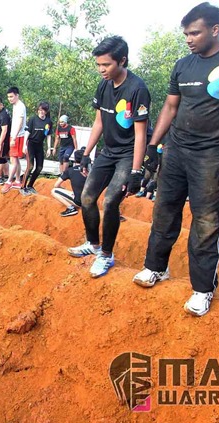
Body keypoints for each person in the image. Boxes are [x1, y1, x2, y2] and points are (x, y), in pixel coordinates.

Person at [132, 3, 219, 317]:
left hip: (213, 155)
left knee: (205, 223)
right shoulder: (183, 65)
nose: (188, 39)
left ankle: (203, 289)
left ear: (215, 29)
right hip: (177, 150)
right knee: (164, 210)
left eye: (195, 32)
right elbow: (171, 107)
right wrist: (153, 145)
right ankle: (155, 267)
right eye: (186, 33)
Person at [67, 36, 150, 279]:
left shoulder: (137, 89)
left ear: (122, 60)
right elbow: (99, 121)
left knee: (111, 201)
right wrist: (85, 152)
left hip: (128, 154)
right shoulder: (103, 85)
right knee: (87, 197)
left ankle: (106, 254)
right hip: (108, 152)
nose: (102, 70)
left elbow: (141, 133)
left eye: (106, 65)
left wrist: (136, 171)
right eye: (98, 65)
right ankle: (92, 243)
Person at [22, 101, 53, 195]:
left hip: (40, 145)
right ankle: (23, 186)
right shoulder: (33, 119)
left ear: (46, 111)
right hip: (31, 144)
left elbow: (48, 135)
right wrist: (24, 145)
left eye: (43, 110)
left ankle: (30, 185)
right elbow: (27, 132)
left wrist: (49, 147)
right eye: (40, 110)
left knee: (39, 167)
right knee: (30, 166)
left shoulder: (48, 121)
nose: (41, 112)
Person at [0, 87, 26, 193]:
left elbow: (20, 123)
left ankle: (9, 181)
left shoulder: (20, 106)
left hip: (17, 135)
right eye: (8, 97)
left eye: (11, 96)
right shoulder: (16, 106)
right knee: (16, 159)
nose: (9, 99)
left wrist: (14, 137)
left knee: (13, 160)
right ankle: (18, 180)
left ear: (17, 95)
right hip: (15, 135)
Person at [52, 148, 87, 216]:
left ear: (75, 159)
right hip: (90, 201)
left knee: (54, 191)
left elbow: (56, 185)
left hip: (79, 202)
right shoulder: (89, 171)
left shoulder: (70, 170)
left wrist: (62, 189)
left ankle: (71, 208)